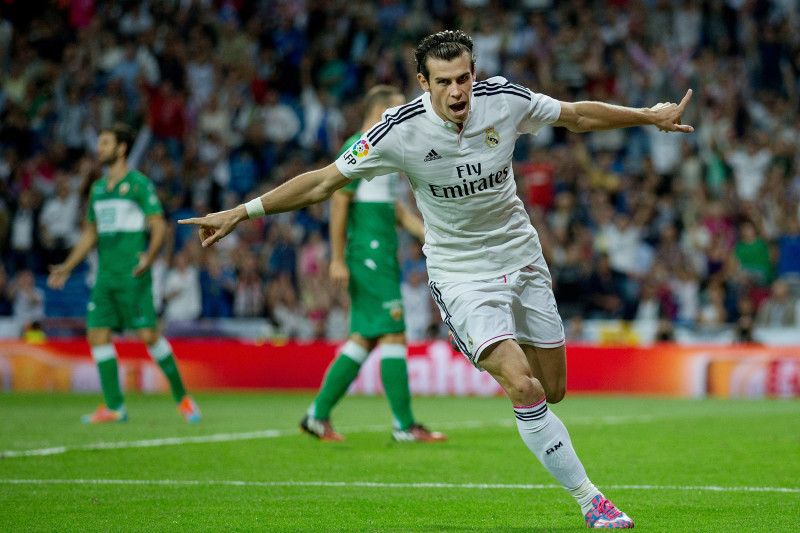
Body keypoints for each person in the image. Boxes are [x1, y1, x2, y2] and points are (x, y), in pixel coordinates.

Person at [180, 30, 694, 529]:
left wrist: (648, 117)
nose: (458, 92)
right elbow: (324, 182)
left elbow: (577, 115)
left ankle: (504, 370)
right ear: (423, 83)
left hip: (524, 259)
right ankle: (592, 503)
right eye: (445, 81)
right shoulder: (396, 130)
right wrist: (242, 212)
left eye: (465, 79)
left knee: (554, 390)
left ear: (475, 74)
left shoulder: (504, 100)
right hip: (462, 274)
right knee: (524, 384)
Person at [300, 85, 447, 443]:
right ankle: (404, 426)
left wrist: (433, 237)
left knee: (364, 339)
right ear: (380, 109)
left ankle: (316, 416)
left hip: (380, 254)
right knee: (394, 330)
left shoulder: (385, 147)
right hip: (367, 255)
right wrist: (337, 258)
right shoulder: (359, 144)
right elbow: (338, 200)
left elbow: (394, 208)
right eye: (399, 109)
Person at [48, 123, 201, 425]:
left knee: (148, 335)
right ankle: (115, 407)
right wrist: (68, 265)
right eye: (99, 143)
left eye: (105, 143)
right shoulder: (98, 189)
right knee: (97, 334)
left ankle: (183, 398)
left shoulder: (139, 184)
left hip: (133, 274)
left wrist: (150, 256)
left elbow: (159, 225)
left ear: (122, 148)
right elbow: (90, 233)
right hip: (105, 277)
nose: (99, 148)